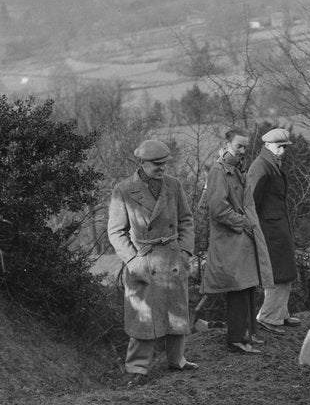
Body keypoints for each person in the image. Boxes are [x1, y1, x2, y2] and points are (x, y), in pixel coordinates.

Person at [107, 139, 197, 379]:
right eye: (156, 164)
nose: (161, 168)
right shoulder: (123, 190)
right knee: (142, 319)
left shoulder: (174, 186)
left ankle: (177, 360)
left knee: (177, 313)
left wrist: (185, 252)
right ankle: (137, 368)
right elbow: (115, 232)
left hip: (172, 259)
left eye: (164, 163)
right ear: (142, 162)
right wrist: (133, 262)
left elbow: (186, 220)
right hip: (143, 261)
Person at [201, 129, 273, 354]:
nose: (242, 151)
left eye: (245, 147)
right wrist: (242, 223)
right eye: (238, 146)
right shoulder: (219, 171)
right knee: (238, 288)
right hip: (231, 239)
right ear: (227, 145)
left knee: (249, 285)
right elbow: (217, 209)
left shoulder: (236, 170)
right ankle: (237, 339)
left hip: (243, 237)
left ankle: (249, 333)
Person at [246, 125, 302, 335]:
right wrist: (255, 229)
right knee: (277, 273)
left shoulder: (271, 164)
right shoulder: (261, 166)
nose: (283, 151)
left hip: (277, 228)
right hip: (269, 230)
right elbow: (251, 202)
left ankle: (280, 313)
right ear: (268, 145)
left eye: (285, 147)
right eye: (279, 147)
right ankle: (269, 316)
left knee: (284, 272)